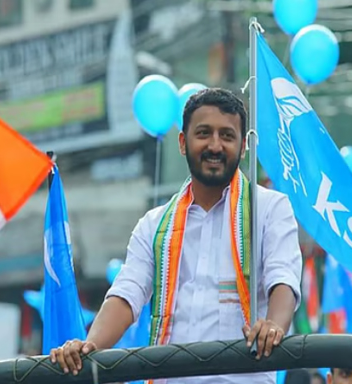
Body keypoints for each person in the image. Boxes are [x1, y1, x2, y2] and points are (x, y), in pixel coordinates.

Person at [50, 88, 302, 383]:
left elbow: (283, 278)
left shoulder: (269, 209)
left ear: (244, 146)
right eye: (204, 133)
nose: (215, 145)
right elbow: (126, 294)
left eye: (227, 136)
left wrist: (274, 325)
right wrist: (89, 345)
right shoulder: (154, 225)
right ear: (183, 142)